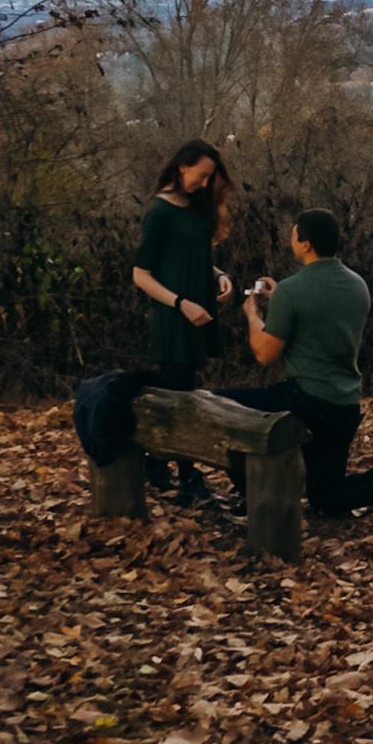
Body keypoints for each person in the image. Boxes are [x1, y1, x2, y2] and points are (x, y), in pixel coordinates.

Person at [226, 208, 373, 526]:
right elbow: (322, 316)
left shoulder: (292, 290)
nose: (292, 239)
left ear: (305, 244)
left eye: (293, 234)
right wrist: (281, 300)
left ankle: (254, 495)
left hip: (306, 399)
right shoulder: (358, 285)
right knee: (325, 496)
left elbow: (264, 353)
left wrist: (253, 314)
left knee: (224, 406)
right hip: (344, 404)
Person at [131, 138, 234, 502]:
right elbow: (141, 274)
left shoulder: (195, 207)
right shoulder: (159, 211)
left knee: (179, 394)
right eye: (201, 176)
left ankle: (156, 463)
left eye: (209, 179)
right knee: (183, 397)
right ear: (182, 166)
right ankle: (189, 477)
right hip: (175, 319)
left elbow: (192, 256)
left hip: (199, 314)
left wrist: (218, 274)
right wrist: (180, 303)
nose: (204, 184)